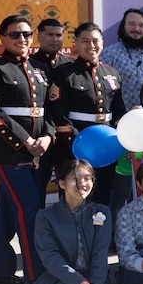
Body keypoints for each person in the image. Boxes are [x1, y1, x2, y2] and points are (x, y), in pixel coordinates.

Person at [0, 159, 113, 284]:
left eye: (87, 178)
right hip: (60, 279)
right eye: (75, 179)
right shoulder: (46, 216)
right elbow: (50, 257)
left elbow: (100, 254)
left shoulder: (102, 212)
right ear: (61, 183)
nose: (82, 184)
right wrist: (77, 281)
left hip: (92, 279)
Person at [0, 15, 55, 284]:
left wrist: (47, 136)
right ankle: (37, 276)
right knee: (30, 210)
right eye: (15, 34)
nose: (22, 39)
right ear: (2, 38)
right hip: (8, 154)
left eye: (26, 34)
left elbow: (49, 112)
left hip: (38, 153)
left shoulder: (39, 70)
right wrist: (25, 141)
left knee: (8, 212)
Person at [49, 22, 127, 215]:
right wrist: (80, 146)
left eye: (95, 41)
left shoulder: (112, 73)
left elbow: (118, 112)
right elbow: (59, 115)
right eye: (85, 41)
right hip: (74, 150)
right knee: (74, 201)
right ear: (75, 43)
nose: (91, 45)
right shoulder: (63, 73)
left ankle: (101, 242)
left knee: (103, 201)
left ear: (102, 43)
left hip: (107, 151)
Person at [28, 18, 74, 202]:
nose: (55, 39)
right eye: (49, 35)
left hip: (66, 140)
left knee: (69, 193)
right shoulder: (29, 64)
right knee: (35, 194)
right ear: (39, 37)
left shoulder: (70, 65)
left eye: (59, 35)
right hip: (40, 138)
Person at [100, 8, 143, 110]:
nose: (136, 29)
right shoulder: (109, 54)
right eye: (132, 24)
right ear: (123, 27)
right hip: (119, 119)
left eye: (141, 25)